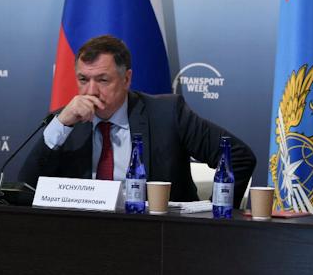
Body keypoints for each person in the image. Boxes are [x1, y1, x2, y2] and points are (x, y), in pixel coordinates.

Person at [19, 35, 256, 207]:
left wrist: (215, 214)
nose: (91, 91)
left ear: (126, 79)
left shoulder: (166, 114)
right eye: (83, 79)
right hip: (85, 236)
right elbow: (26, 187)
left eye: (102, 80)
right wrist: (61, 125)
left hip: (160, 239)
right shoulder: (67, 122)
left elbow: (238, 156)